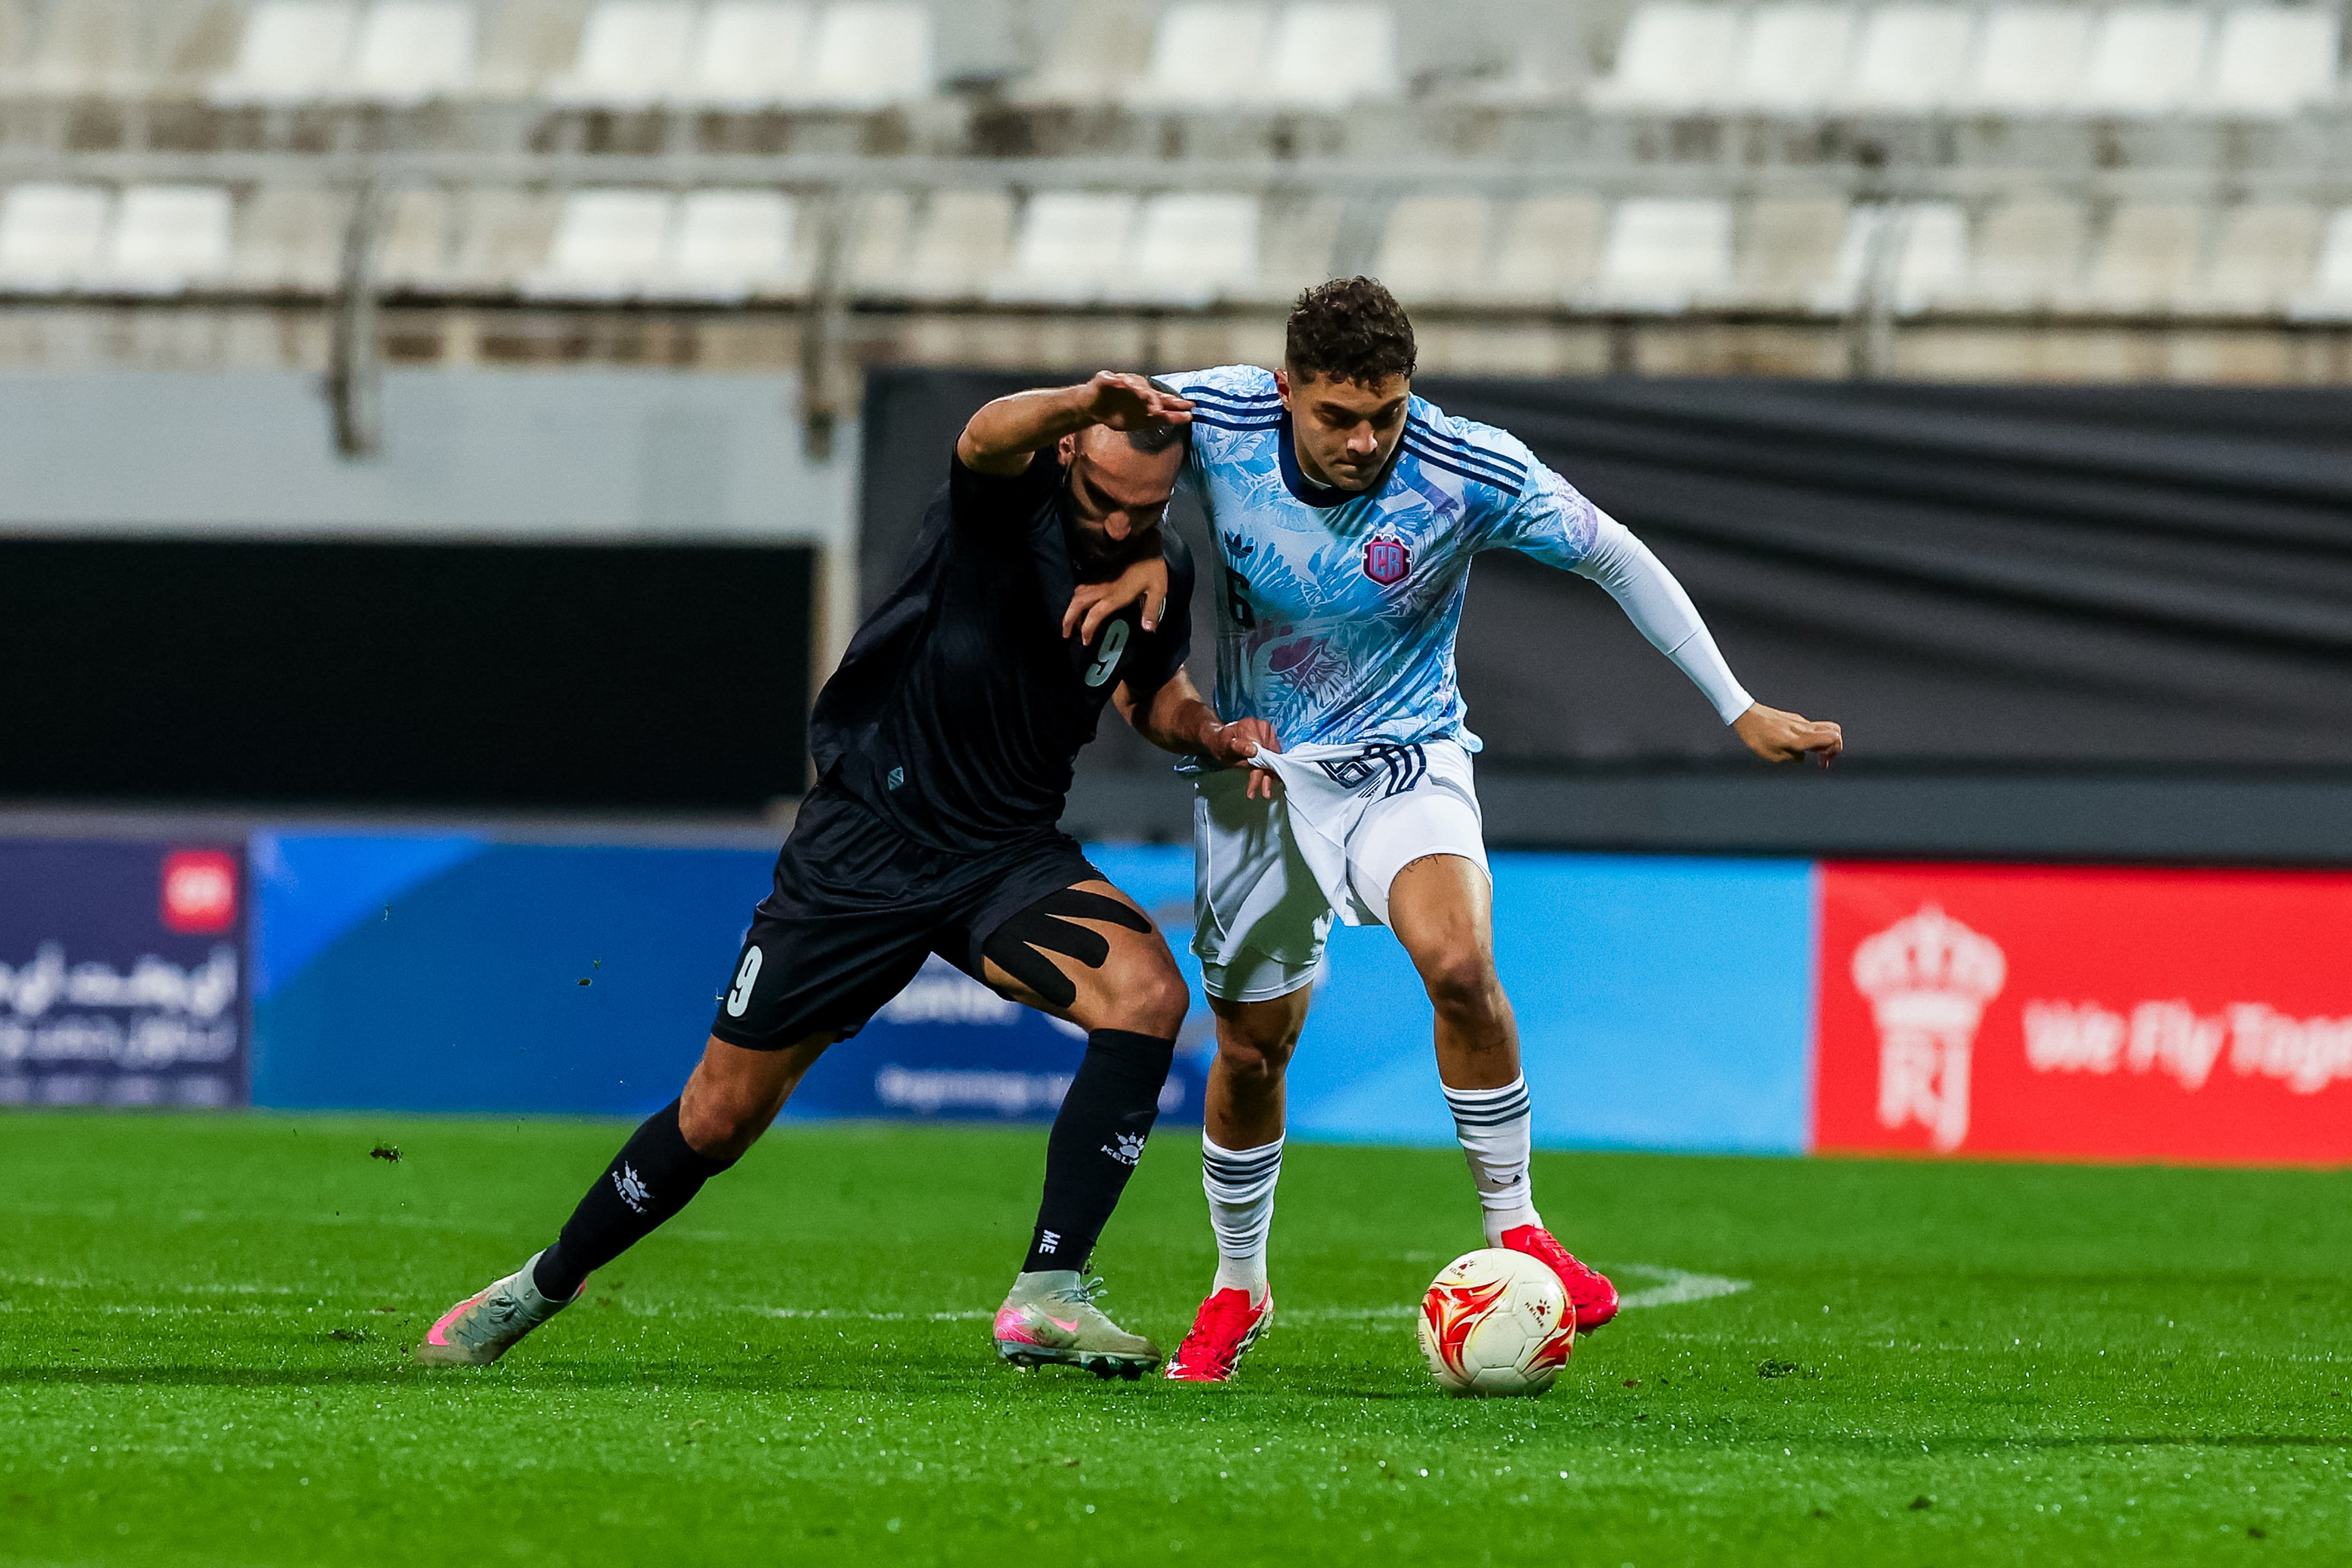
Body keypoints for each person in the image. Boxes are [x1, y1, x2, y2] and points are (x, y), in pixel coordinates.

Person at [413, 372, 1275, 1380]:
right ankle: (542, 1283)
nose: (1119, 524)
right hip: (865, 843)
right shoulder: (1002, 507)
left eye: (1146, 508)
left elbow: (1147, 688)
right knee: (719, 1116)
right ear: (1070, 452)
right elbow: (984, 433)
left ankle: (1048, 1289)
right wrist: (1084, 394)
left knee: (1149, 994)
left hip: (1003, 855)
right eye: (1103, 500)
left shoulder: (1156, 561)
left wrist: (1212, 732)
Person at [1086, 279, 1845, 1382]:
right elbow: (1090, 445)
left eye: (1384, 412)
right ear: (1288, 388)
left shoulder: (1465, 466)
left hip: (1409, 759)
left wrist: (1738, 705)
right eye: (1338, 415)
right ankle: (1237, 1286)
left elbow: (1616, 555)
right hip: (1258, 772)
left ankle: (1518, 1223)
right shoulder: (1217, 415)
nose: (1363, 439)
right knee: (1254, 1045)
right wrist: (1137, 547)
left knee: (1459, 961)